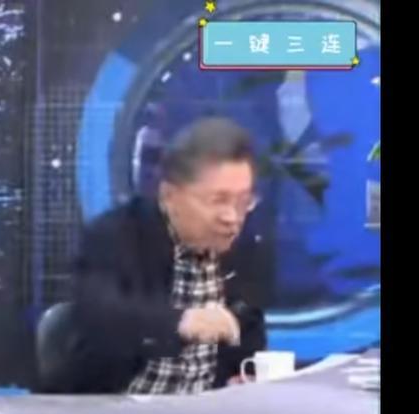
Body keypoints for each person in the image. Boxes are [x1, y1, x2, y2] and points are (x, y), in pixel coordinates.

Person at [45, 117, 268, 395]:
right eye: (218, 201)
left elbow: (249, 339)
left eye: (243, 202)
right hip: (114, 410)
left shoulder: (244, 249)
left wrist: (241, 379)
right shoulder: (115, 236)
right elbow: (99, 316)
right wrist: (180, 322)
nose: (232, 217)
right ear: (169, 195)